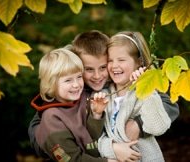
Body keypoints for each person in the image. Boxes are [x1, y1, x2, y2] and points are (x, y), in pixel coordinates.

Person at [28, 30, 179, 161]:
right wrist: (47, 141)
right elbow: (41, 123)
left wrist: (139, 124)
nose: (97, 76)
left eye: (103, 66)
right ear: (78, 65)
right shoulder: (70, 89)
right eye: (88, 69)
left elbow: (168, 104)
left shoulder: (117, 83)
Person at [32, 46, 118, 162]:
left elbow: (90, 139)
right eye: (68, 80)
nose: (76, 84)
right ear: (51, 83)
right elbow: (71, 159)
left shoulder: (83, 97)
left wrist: (96, 115)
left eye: (79, 77)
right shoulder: (52, 118)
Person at [96, 31, 172, 162]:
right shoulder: (102, 96)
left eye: (121, 60)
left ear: (139, 62)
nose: (114, 65)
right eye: (110, 61)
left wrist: (145, 88)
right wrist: (113, 148)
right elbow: (95, 138)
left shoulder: (144, 95)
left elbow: (158, 127)